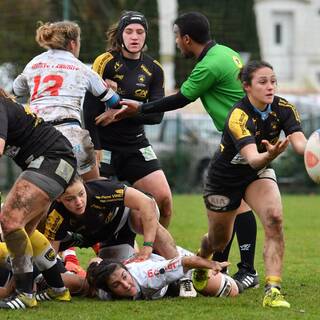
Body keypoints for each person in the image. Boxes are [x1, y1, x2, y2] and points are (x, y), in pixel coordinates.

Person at [105, 12, 258, 289]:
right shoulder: (226, 52)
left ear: (187, 39)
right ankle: (230, 267)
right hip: (244, 135)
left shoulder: (206, 65)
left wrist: (137, 108)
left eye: (177, 37)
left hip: (239, 137)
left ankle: (243, 269)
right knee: (237, 203)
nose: (176, 43)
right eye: (130, 32)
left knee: (229, 203)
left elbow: (178, 100)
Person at [193, 60, 306, 308]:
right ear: (247, 87)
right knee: (218, 240)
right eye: (263, 82)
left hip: (257, 174)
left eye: (273, 81)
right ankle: (201, 261)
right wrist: (270, 155)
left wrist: (314, 152)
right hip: (223, 180)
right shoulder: (238, 115)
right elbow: (253, 158)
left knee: (274, 219)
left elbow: (301, 145)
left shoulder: (284, 108)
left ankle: (273, 290)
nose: (270, 87)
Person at [83, 11, 173, 228]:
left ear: (146, 36)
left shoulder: (154, 69)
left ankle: (158, 256)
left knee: (164, 200)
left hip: (136, 145)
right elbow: (90, 109)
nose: (135, 37)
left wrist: (120, 110)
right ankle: (115, 253)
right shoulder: (105, 62)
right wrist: (95, 147)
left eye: (140, 32)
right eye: (129, 31)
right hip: (105, 146)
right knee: (102, 210)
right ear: (120, 35)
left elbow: (157, 115)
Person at [12, 20, 121, 181]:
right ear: (72, 44)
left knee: (47, 190)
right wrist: (114, 90)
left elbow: (16, 91)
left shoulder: (34, 63)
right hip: (70, 133)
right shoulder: (81, 67)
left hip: (37, 135)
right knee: (94, 187)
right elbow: (113, 101)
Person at [0, 89, 77, 309]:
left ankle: (25, 294)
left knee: (10, 221)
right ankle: (58, 289)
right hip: (56, 162)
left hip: (51, 161)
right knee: (21, 230)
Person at [43, 175, 178, 262]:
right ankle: (161, 264)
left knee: (142, 217)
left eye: (81, 194)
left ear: (84, 186)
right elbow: (50, 256)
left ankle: (181, 271)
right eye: (70, 199)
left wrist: (148, 245)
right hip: (107, 236)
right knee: (117, 275)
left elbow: (146, 203)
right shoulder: (55, 216)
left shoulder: (100, 191)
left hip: (125, 215)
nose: (79, 202)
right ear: (59, 198)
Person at [86, 247, 241, 300]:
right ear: (109, 289)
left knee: (232, 290)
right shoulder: (103, 291)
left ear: (127, 271)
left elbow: (184, 262)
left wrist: (212, 264)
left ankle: (185, 278)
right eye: (116, 285)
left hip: (174, 260)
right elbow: (94, 260)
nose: (126, 285)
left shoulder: (149, 276)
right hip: (163, 278)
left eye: (124, 277)